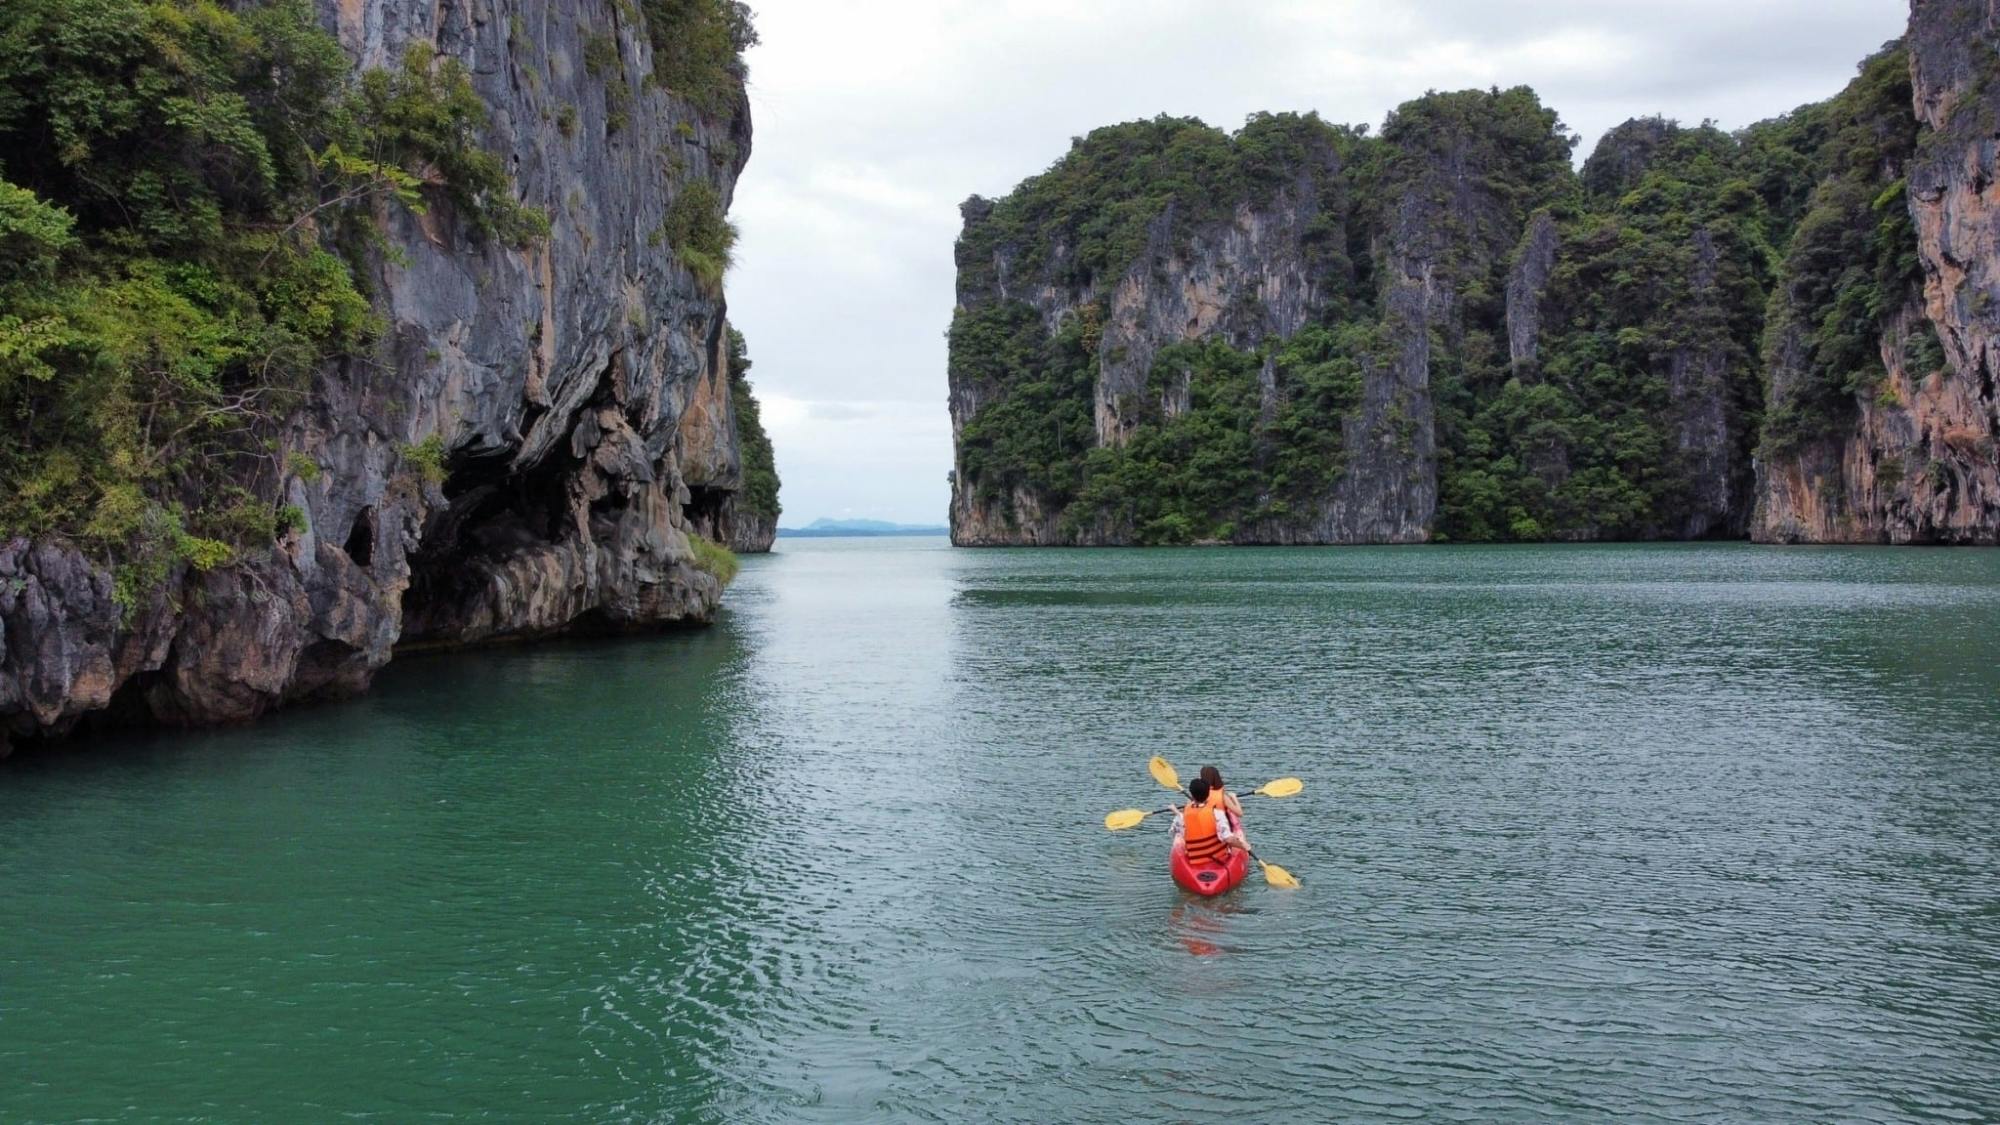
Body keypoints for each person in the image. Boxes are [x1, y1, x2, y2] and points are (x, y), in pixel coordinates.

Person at [1173, 777, 1246, 866]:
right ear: (1208, 794)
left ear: (1192, 795)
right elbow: (1228, 839)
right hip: (1218, 859)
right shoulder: (1217, 813)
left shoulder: (1183, 815)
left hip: (1195, 860)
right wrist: (1244, 846)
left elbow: (1177, 833)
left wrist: (1176, 812)